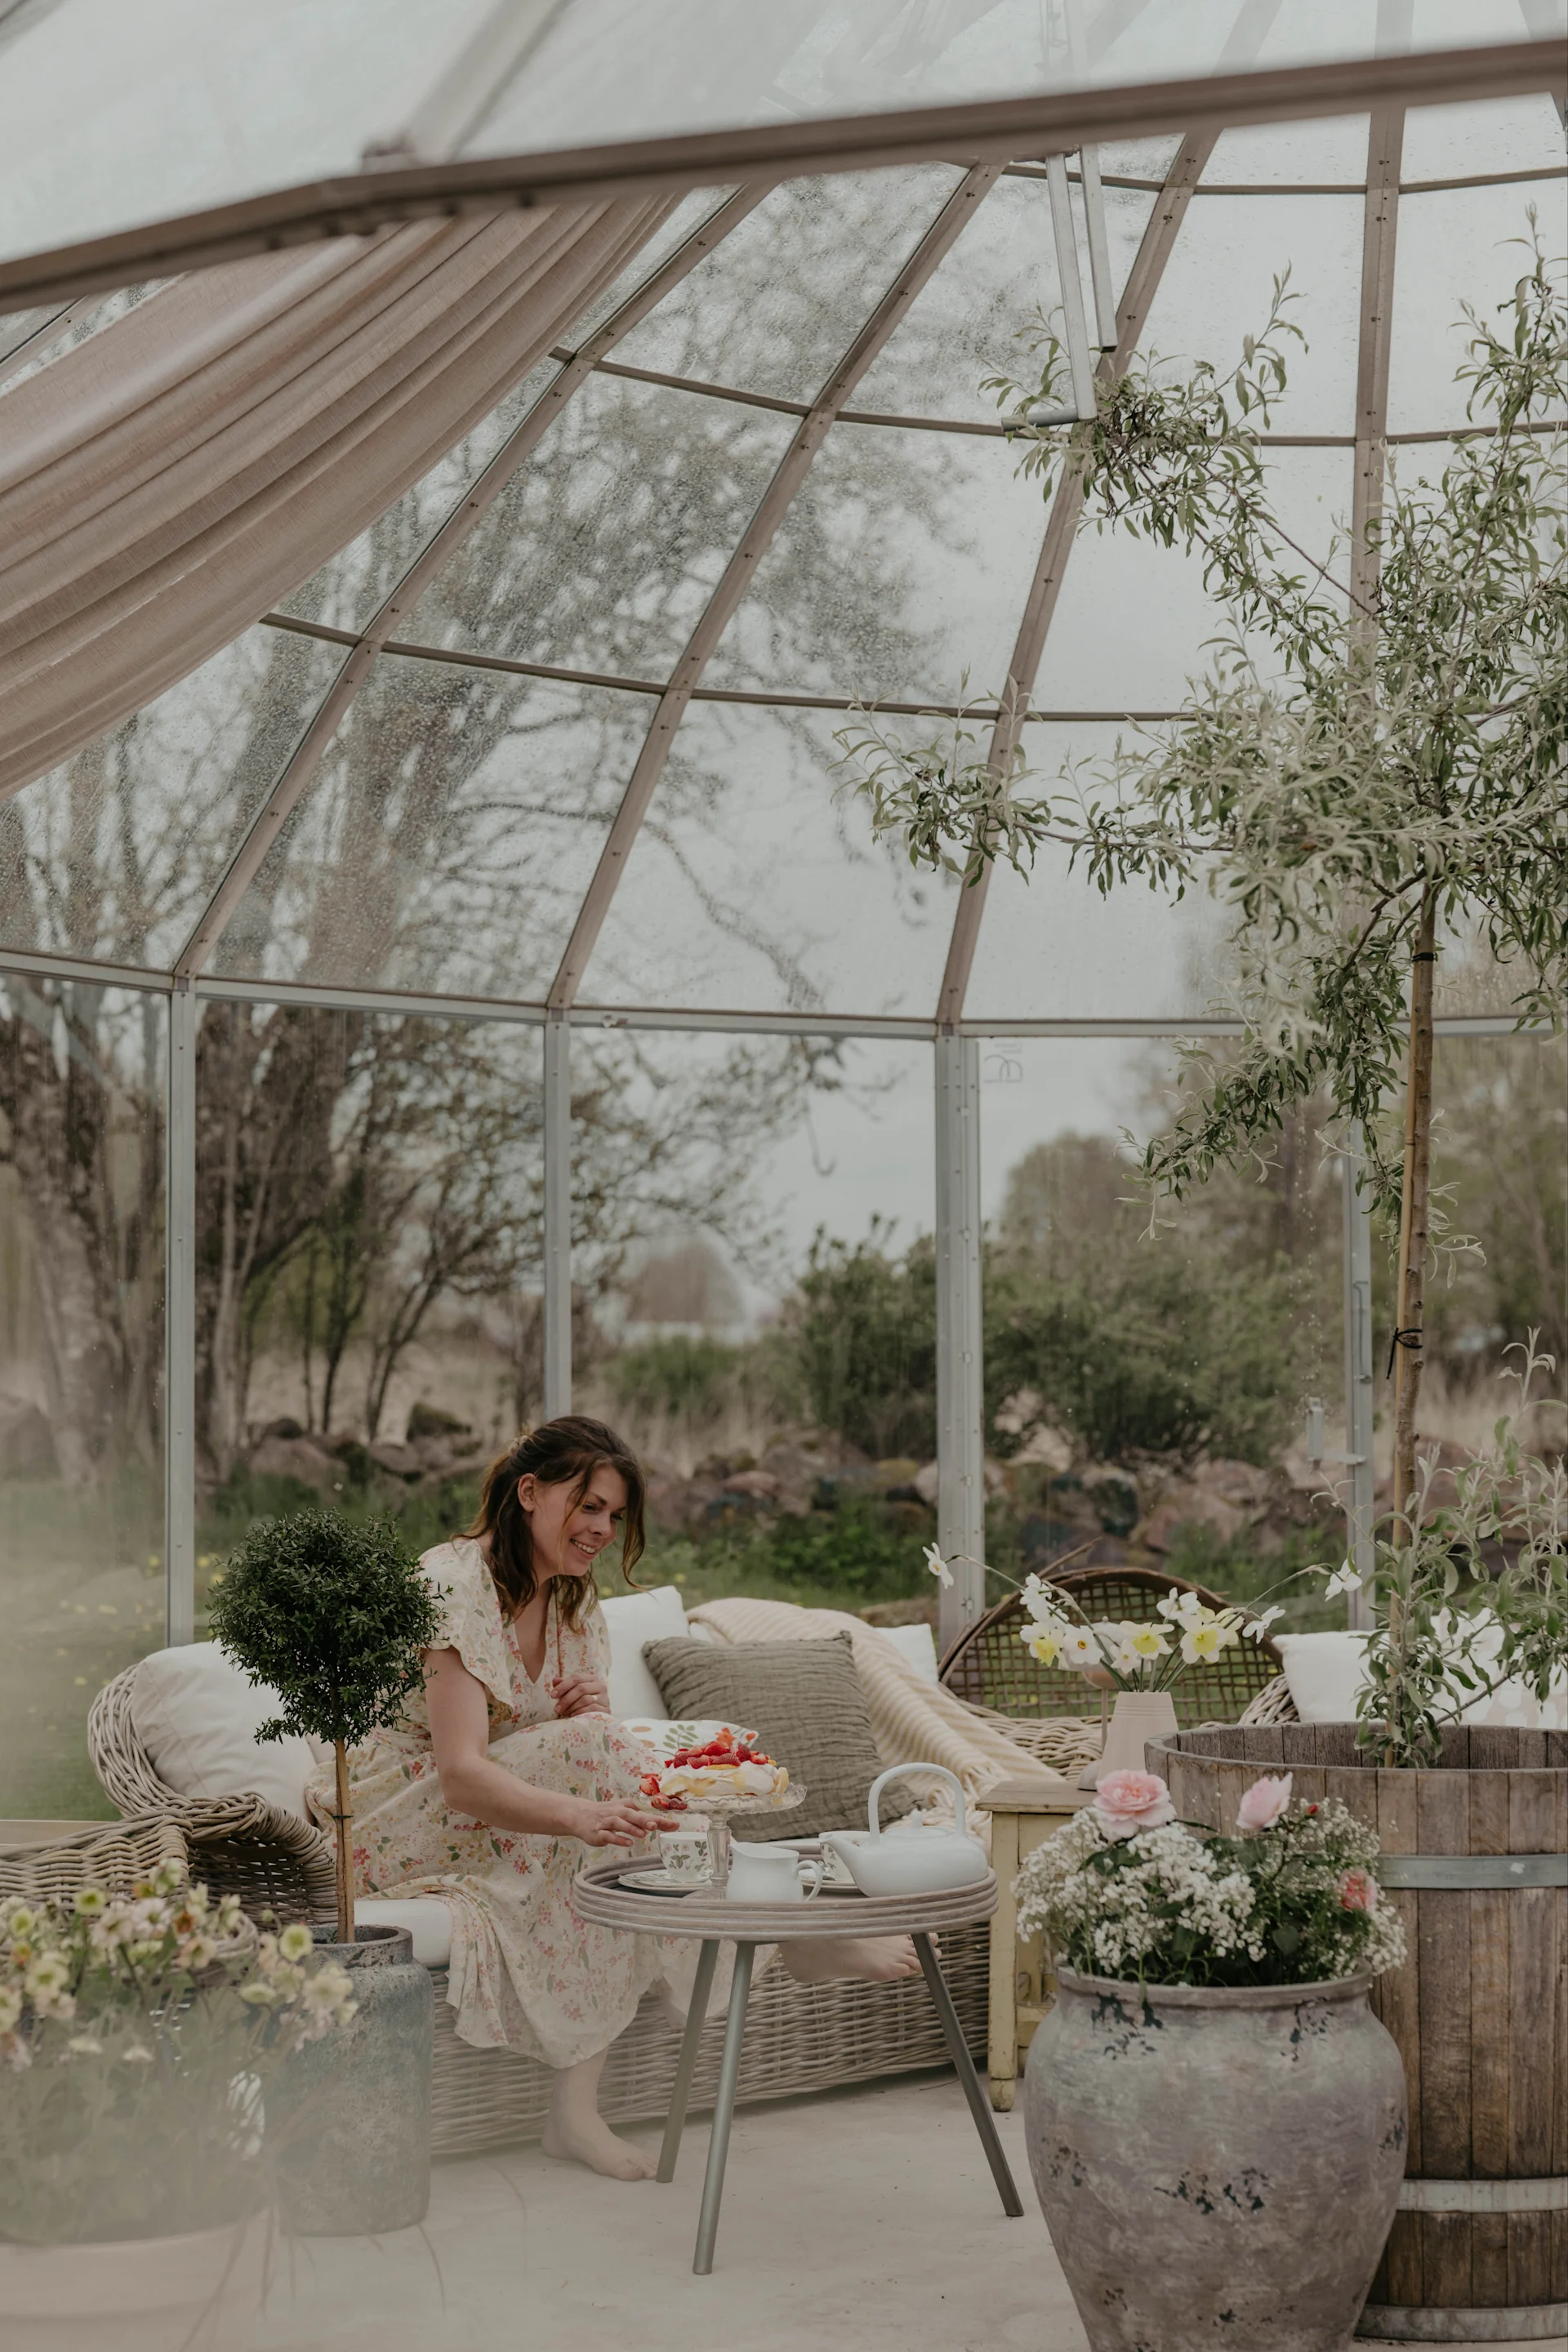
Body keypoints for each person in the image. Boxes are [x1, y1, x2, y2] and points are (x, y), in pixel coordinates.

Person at [315, 1414, 917, 2180]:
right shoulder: (452, 1587)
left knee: (637, 1799)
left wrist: (581, 1713)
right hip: (396, 1815)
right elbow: (463, 1772)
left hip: (492, 1803)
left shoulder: (568, 1596)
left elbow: (547, 1742)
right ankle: (781, 1940)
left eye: (614, 1514)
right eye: (588, 1505)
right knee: (606, 1787)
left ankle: (583, 2106)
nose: (602, 1528)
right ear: (528, 1492)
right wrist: (581, 1804)